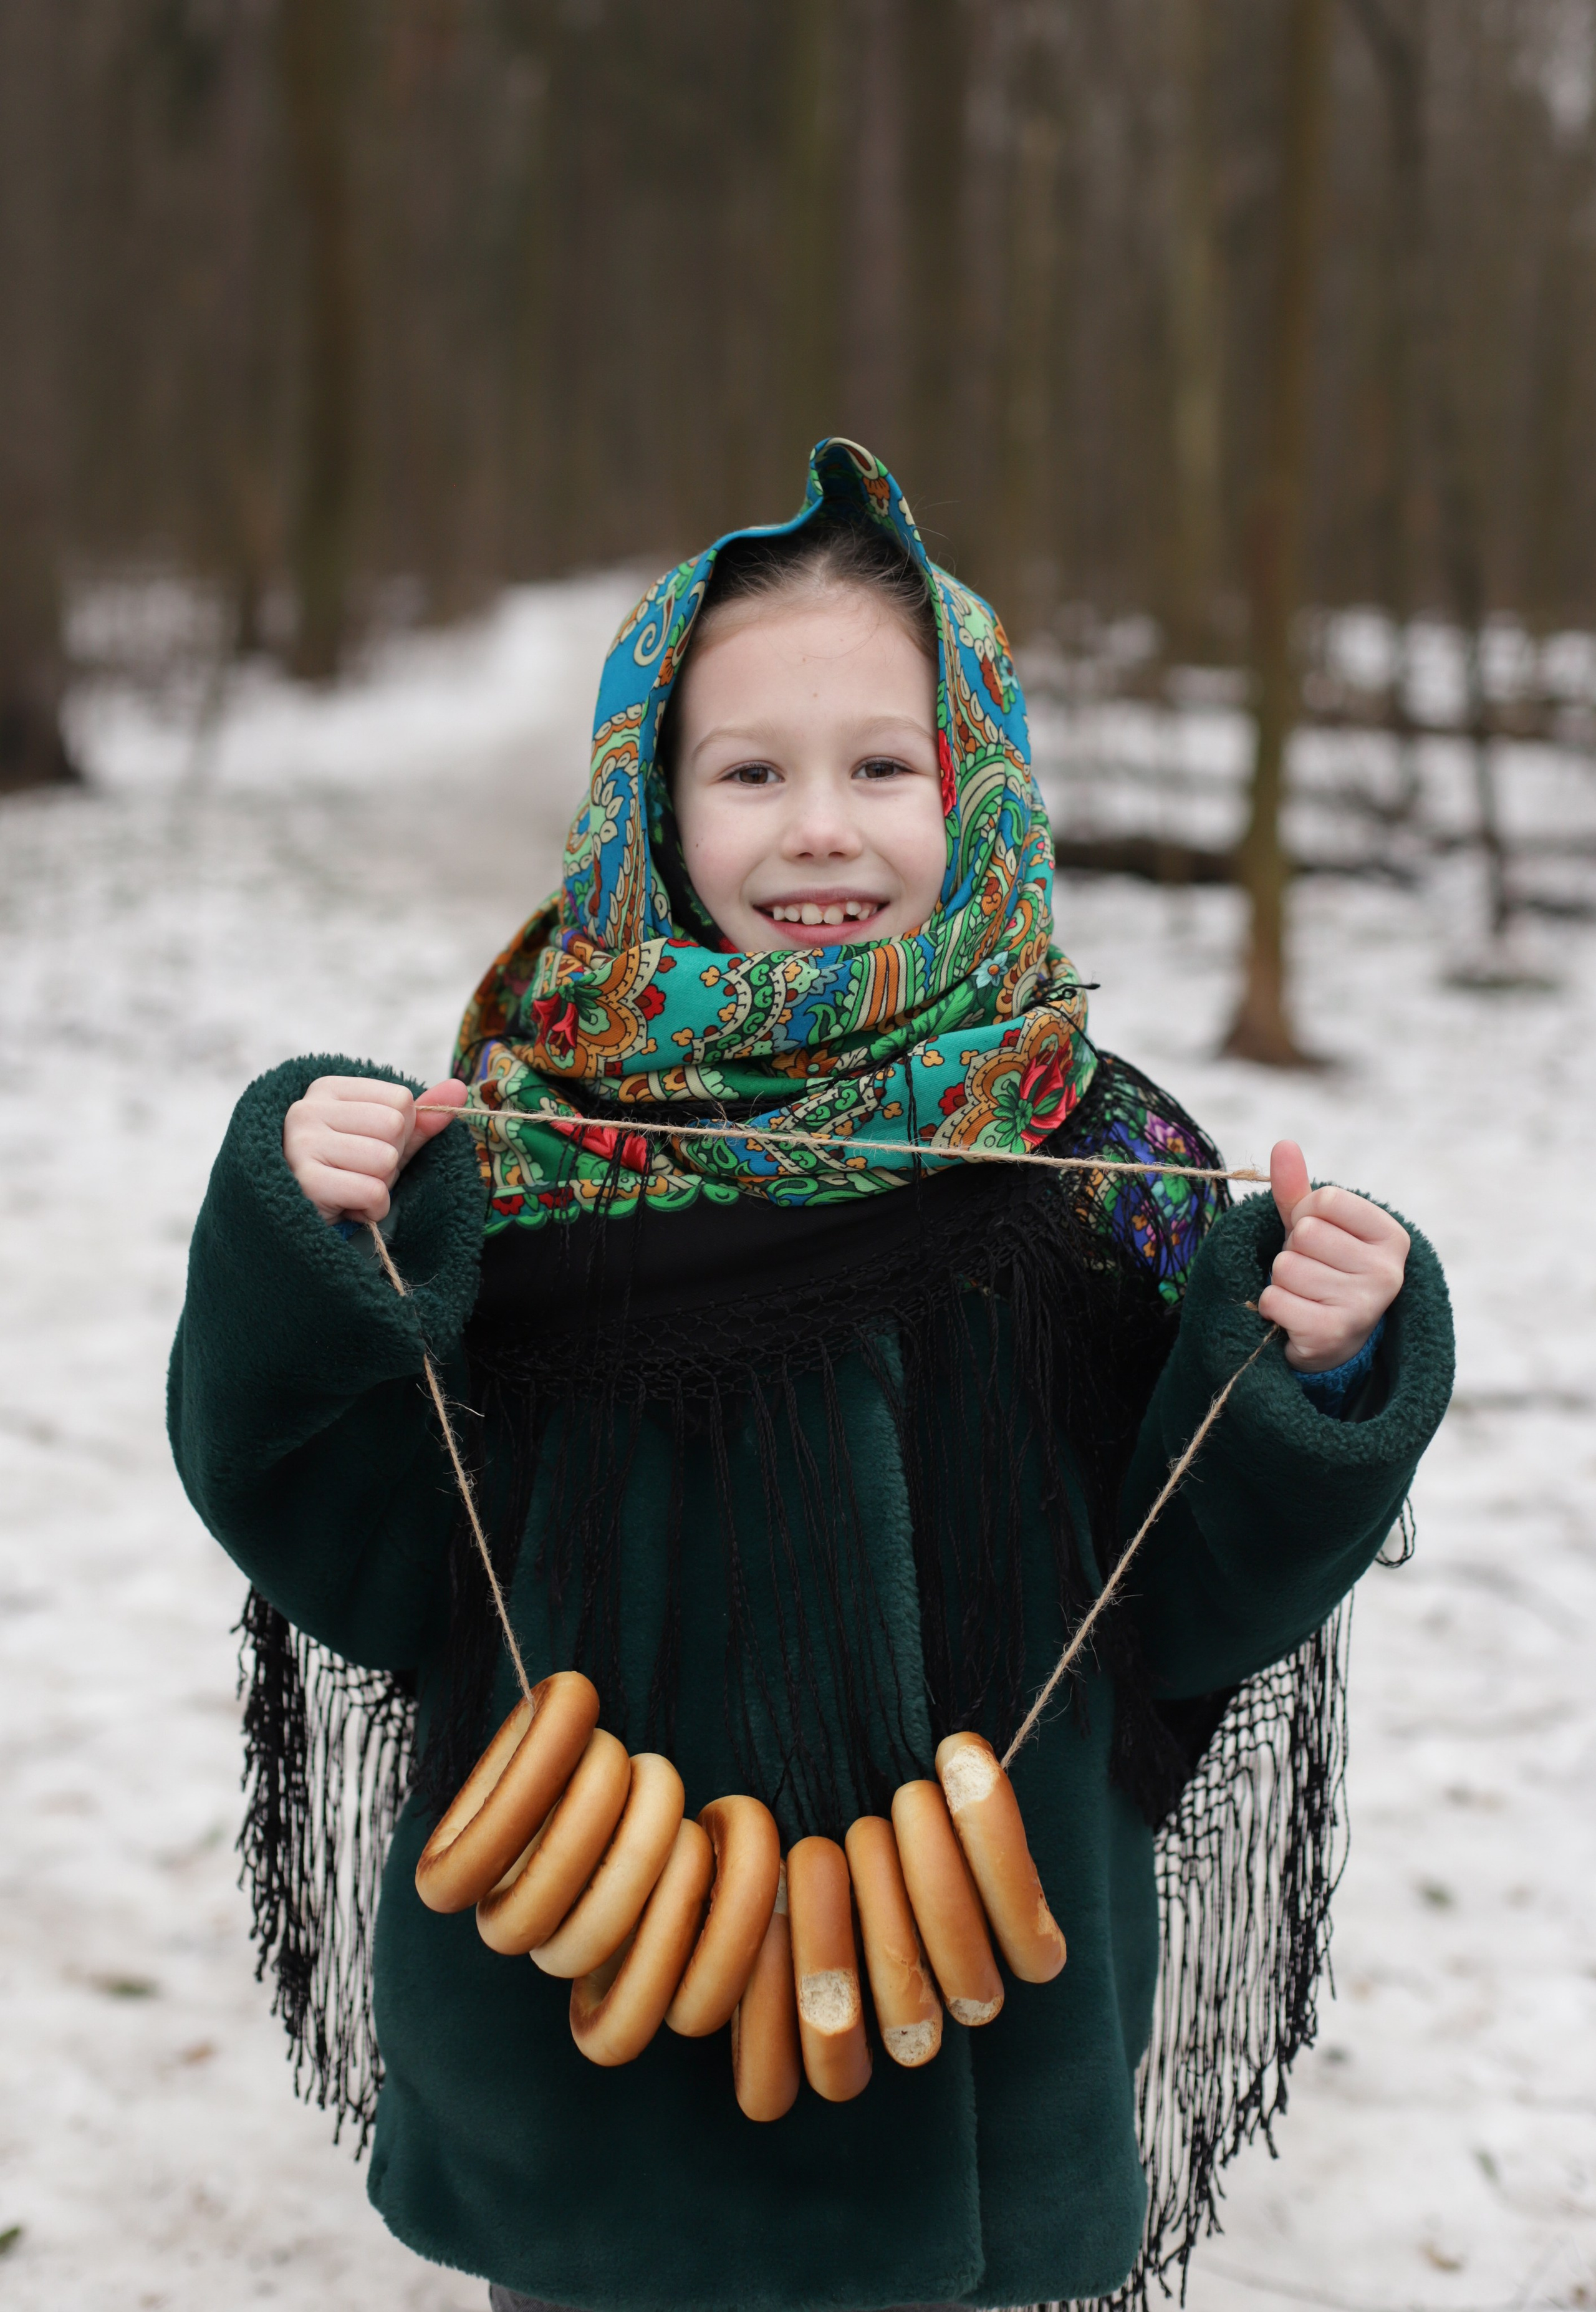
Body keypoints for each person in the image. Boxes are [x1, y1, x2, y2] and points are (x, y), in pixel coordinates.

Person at [168, 439, 1453, 2312]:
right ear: (651, 801)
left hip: (984, 2073)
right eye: (751, 772)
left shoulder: (1099, 1161)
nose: (821, 829)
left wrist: (1317, 1370)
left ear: (978, 783)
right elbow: (349, 1539)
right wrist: (300, 1247)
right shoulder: (520, 1156)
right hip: (592, 2086)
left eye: (882, 767)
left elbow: (1186, 1611)